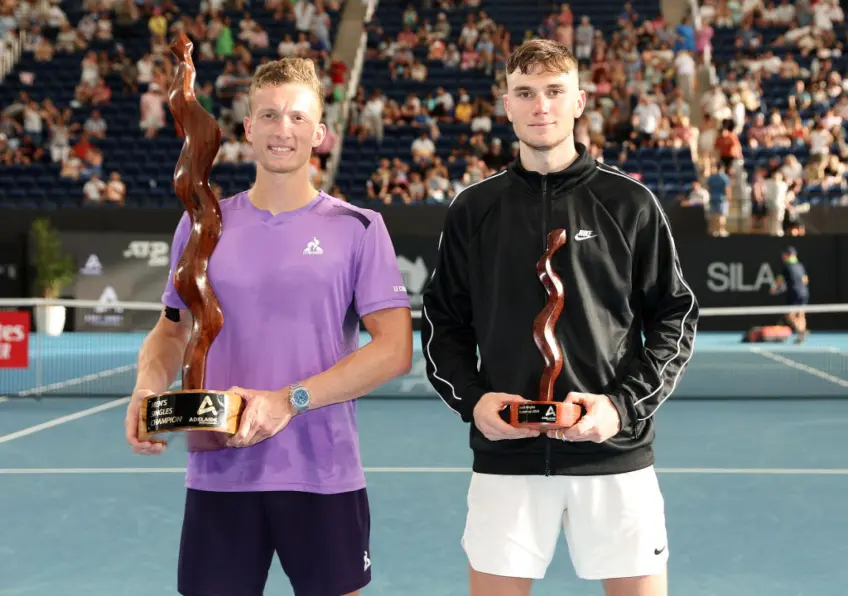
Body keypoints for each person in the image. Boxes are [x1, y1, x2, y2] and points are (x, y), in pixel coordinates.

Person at [124, 57, 413, 596]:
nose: (284, 129)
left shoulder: (361, 228)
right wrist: (148, 387)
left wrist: (289, 400)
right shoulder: (199, 226)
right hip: (219, 472)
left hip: (323, 473)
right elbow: (170, 331)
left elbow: (395, 350)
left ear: (320, 133)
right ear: (248, 128)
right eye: (270, 115)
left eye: (299, 118)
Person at [421, 39, 699, 596]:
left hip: (614, 459)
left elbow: (675, 317)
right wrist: (475, 401)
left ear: (579, 102)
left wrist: (619, 409)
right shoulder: (473, 209)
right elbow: (441, 327)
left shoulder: (631, 204)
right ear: (506, 105)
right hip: (507, 460)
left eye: (554, 92)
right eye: (525, 94)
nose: (540, 106)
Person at [770, 246, 809, 343]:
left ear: (787, 255)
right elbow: (805, 280)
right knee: (800, 315)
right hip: (804, 292)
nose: (782, 256)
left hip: (794, 293)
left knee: (789, 316)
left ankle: (801, 331)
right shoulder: (800, 265)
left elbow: (779, 281)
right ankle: (801, 335)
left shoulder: (786, 266)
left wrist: (774, 289)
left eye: (784, 255)